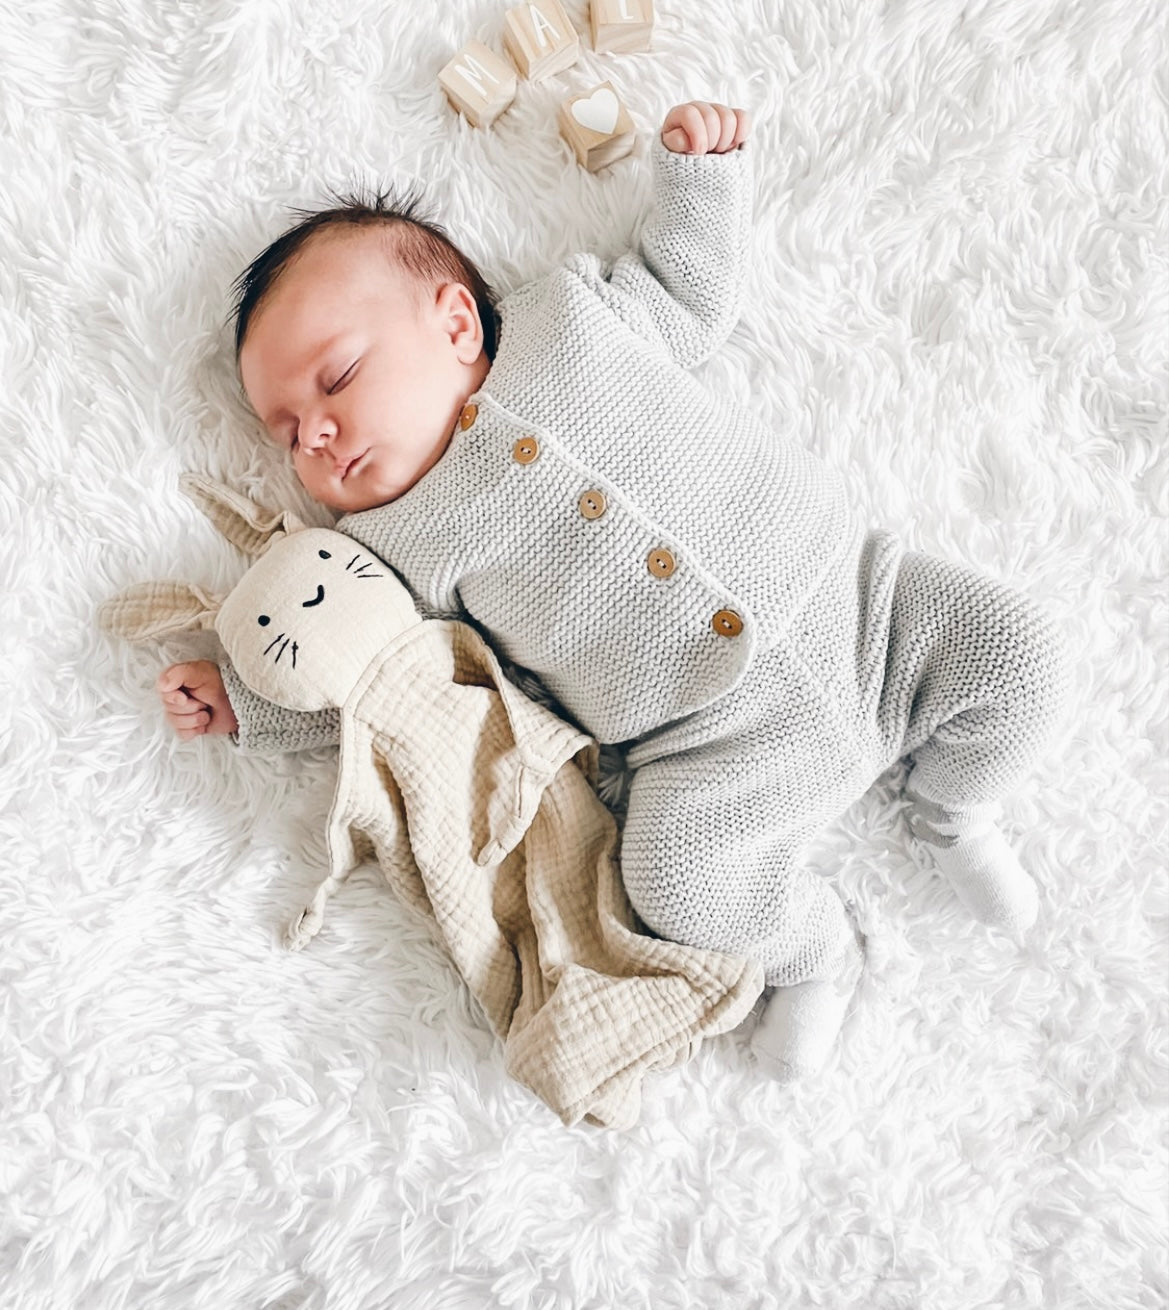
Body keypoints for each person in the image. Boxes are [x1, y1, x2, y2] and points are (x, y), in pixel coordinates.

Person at [158, 101, 1070, 1078]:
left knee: (1018, 648)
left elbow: (689, 294)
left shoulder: (570, 321)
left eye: (334, 380)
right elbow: (373, 668)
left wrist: (701, 183)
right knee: (671, 883)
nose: (316, 438)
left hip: (867, 611)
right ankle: (810, 954)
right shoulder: (388, 545)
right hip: (705, 746)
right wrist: (246, 701)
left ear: (455, 322)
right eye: (288, 434)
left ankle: (953, 808)